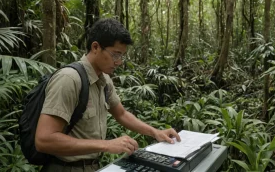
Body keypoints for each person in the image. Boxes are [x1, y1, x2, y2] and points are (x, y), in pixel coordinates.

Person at [35, 18, 181, 172]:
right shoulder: (69, 79)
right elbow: (44, 140)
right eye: (115, 54)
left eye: (121, 56)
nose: (119, 62)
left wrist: (155, 132)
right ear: (96, 47)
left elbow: (122, 114)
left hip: (92, 166)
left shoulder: (104, 80)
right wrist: (107, 145)